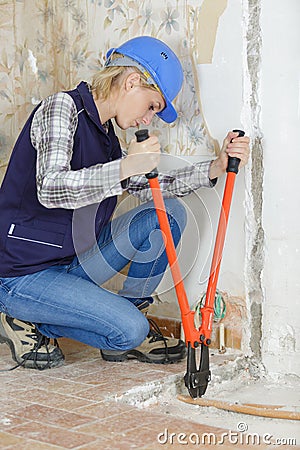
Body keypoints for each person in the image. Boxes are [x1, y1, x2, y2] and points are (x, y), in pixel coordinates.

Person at [0, 36, 250, 370]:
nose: (149, 119)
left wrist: (215, 167)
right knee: (128, 330)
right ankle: (22, 316)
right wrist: (125, 166)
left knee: (167, 213)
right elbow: (50, 187)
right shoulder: (61, 108)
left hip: (71, 263)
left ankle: (130, 316)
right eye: (152, 106)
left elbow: (151, 189)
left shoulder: (107, 138)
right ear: (133, 82)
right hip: (23, 274)